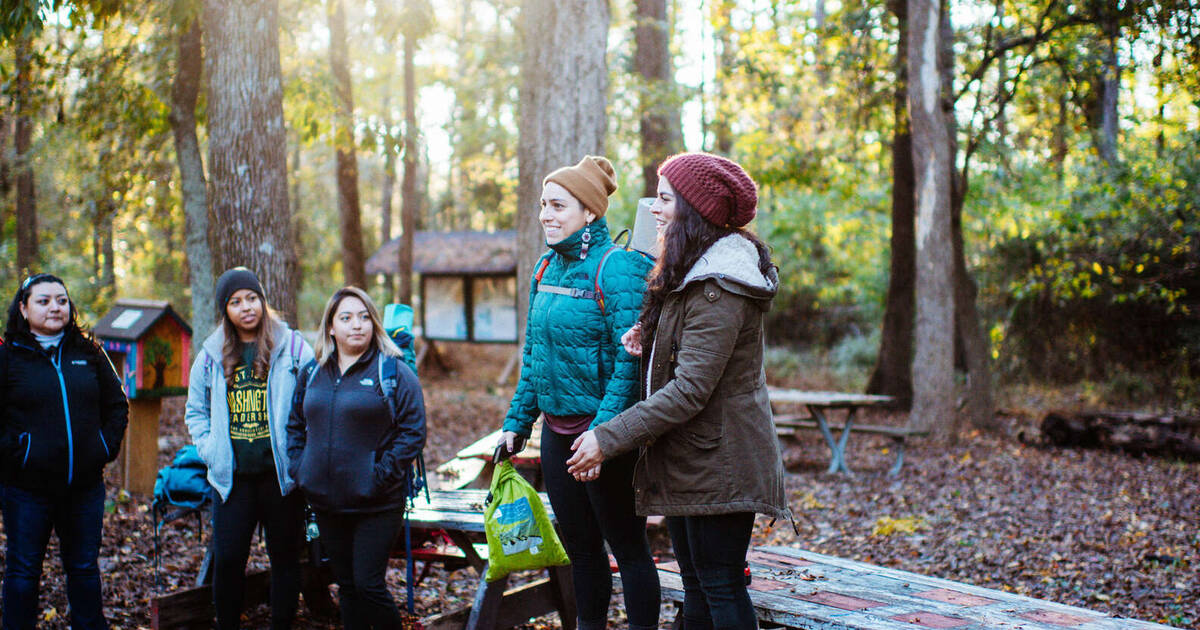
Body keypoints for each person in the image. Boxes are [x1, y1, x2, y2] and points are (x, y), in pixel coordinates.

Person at [567, 153, 790, 630]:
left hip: (722, 461)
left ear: (695, 211)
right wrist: (650, 335)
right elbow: (686, 349)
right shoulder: (694, 272)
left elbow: (691, 389)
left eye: (665, 199)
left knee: (720, 586)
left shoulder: (720, 285)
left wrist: (608, 437)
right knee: (697, 587)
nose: (654, 208)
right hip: (695, 457)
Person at [498, 156, 659, 630]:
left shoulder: (618, 270)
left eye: (557, 205)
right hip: (556, 434)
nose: (546, 214)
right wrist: (516, 422)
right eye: (543, 205)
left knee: (628, 550)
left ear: (590, 212)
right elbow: (535, 356)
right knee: (582, 553)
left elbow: (629, 366)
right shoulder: (546, 267)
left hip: (606, 440)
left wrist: (601, 438)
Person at [286, 286, 426, 629]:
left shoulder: (393, 372)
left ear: (374, 324)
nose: (357, 325)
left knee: (368, 584)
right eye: (346, 318)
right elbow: (294, 424)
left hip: (376, 504)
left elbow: (413, 431)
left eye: (364, 317)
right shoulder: (312, 372)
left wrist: (378, 476)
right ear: (331, 327)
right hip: (326, 501)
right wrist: (301, 468)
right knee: (347, 586)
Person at [184, 267, 313, 630]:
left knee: (285, 559)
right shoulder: (211, 353)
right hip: (233, 479)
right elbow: (195, 410)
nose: (246, 308)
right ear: (225, 310)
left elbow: (314, 398)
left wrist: (301, 455)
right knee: (227, 559)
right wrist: (210, 450)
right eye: (235, 302)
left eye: (252, 298)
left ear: (263, 300)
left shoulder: (292, 346)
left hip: (281, 477)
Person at [0, 273, 129, 630]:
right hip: (27, 492)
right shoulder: (9, 357)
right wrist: (17, 454)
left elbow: (117, 404)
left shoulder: (89, 352)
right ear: (23, 309)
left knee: (85, 570)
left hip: (84, 490)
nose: (55, 307)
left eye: (61, 299)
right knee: (24, 573)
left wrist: (104, 447)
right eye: (43, 301)